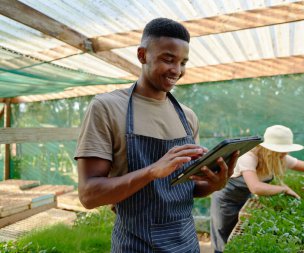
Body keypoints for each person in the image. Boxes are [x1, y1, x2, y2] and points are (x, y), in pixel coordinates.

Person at [75, 18, 239, 253]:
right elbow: (89, 195)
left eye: (183, 62)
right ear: (142, 55)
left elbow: (188, 188)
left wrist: (214, 183)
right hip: (135, 245)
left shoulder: (188, 117)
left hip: (186, 243)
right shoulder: (107, 107)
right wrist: (152, 171)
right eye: (168, 59)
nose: (177, 70)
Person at [210, 125, 304, 253]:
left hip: (244, 199)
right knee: (223, 240)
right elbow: (255, 187)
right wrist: (282, 189)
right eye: (282, 150)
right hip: (226, 200)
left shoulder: (279, 157)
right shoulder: (249, 156)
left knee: (238, 239)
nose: (285, 153)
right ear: (271, 149)